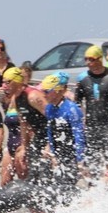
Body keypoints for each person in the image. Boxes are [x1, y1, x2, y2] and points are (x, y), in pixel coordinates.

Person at [74, 45, 108, 173]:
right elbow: (77, 104)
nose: (88, 63)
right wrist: (78, 125)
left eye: (91, 59)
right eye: (86, 59)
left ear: (100, 59)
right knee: (91, 166)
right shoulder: (83, 79)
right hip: (91, 127)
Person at [41, 72, 86, 201]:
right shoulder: (49, 108)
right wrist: (53, 154)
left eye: (46, 91)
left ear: (57, 91)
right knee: (57, 188)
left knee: (69, 188)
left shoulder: (71, 109)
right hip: (59, 155)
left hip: (72, 156)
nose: (44, 94)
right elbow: (50, 131)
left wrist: (80, 159)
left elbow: (79, 135)